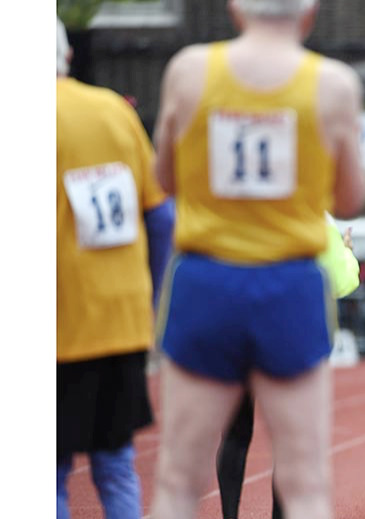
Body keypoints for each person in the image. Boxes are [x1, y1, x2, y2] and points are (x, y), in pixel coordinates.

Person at [149, 0, 365, 517]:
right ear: (309, 12)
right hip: (288, 284)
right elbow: (350, 198)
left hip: (208, 279)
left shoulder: (189, 70)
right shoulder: (334, 85)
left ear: (235, 9)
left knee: (178, 478)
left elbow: (165, 178)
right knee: (305, 480)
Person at [56, 17, 174, 519]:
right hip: (120, 319)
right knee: (116, 466)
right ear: (66, 56)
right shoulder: (114, 110)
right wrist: (149, 296)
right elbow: (162, 217)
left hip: (58, 320)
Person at [216, 216, 361, 519]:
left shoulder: (235, 208)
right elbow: (339, 281)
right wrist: (347, 252)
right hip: (287, 335)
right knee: (287, 439)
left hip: (236, 330)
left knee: (235, 433)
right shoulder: (313, 214)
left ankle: (229, 515)